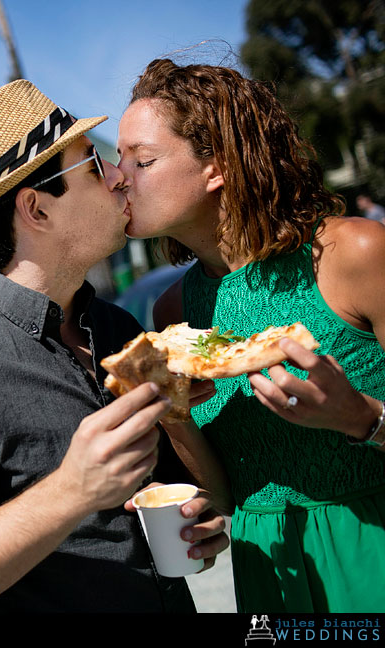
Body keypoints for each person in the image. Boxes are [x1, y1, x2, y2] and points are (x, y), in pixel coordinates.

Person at [0, 80, 229, 613]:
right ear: (36, 209)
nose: (117, 178)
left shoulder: (115, 328)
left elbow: (191, 494)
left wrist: (198, 512)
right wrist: (71, 490)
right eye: (93, 165)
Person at [117, 58, 385, 613]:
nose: (118, 177)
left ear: (215, 167)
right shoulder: (175, 312)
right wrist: (178, 427)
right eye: (117, 159)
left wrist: (359, 417)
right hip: (271, 577)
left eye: (141, 160)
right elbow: (226, 494)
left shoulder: (354, 254)